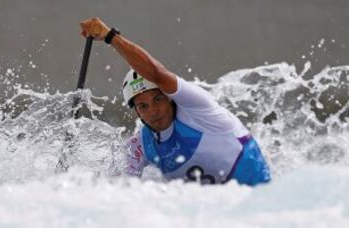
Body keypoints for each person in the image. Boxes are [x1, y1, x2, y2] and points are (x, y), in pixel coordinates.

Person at [80, 17, 271, 186]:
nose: (153, 111)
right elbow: (122, 192)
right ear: (137, 112)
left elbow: (158, 74)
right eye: (143, 106)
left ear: (170, 97)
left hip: (258, 193)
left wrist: (110, 36)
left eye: (158, 99)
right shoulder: (139, 145)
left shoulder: (197, 107)